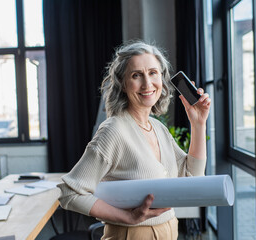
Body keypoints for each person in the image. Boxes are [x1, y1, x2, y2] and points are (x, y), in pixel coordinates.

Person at [57, 41, 211, 240]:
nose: (147, 84)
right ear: (123, 83)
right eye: (136, 75)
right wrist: (127, 217)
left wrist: (198, 124)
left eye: (153, 73)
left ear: (162, 80)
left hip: (169, 230)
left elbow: (192, 177)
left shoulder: (158, 128)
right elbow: (70, 193)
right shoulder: (114, 130)